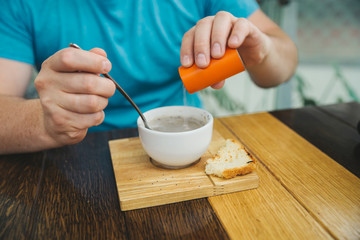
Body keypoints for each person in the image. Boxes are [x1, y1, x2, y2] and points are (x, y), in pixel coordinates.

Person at [0, 0, 297, 154]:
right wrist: (44, 121)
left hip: (179, 145)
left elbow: (285, 59)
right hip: (69, 160)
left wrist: (261, 50)